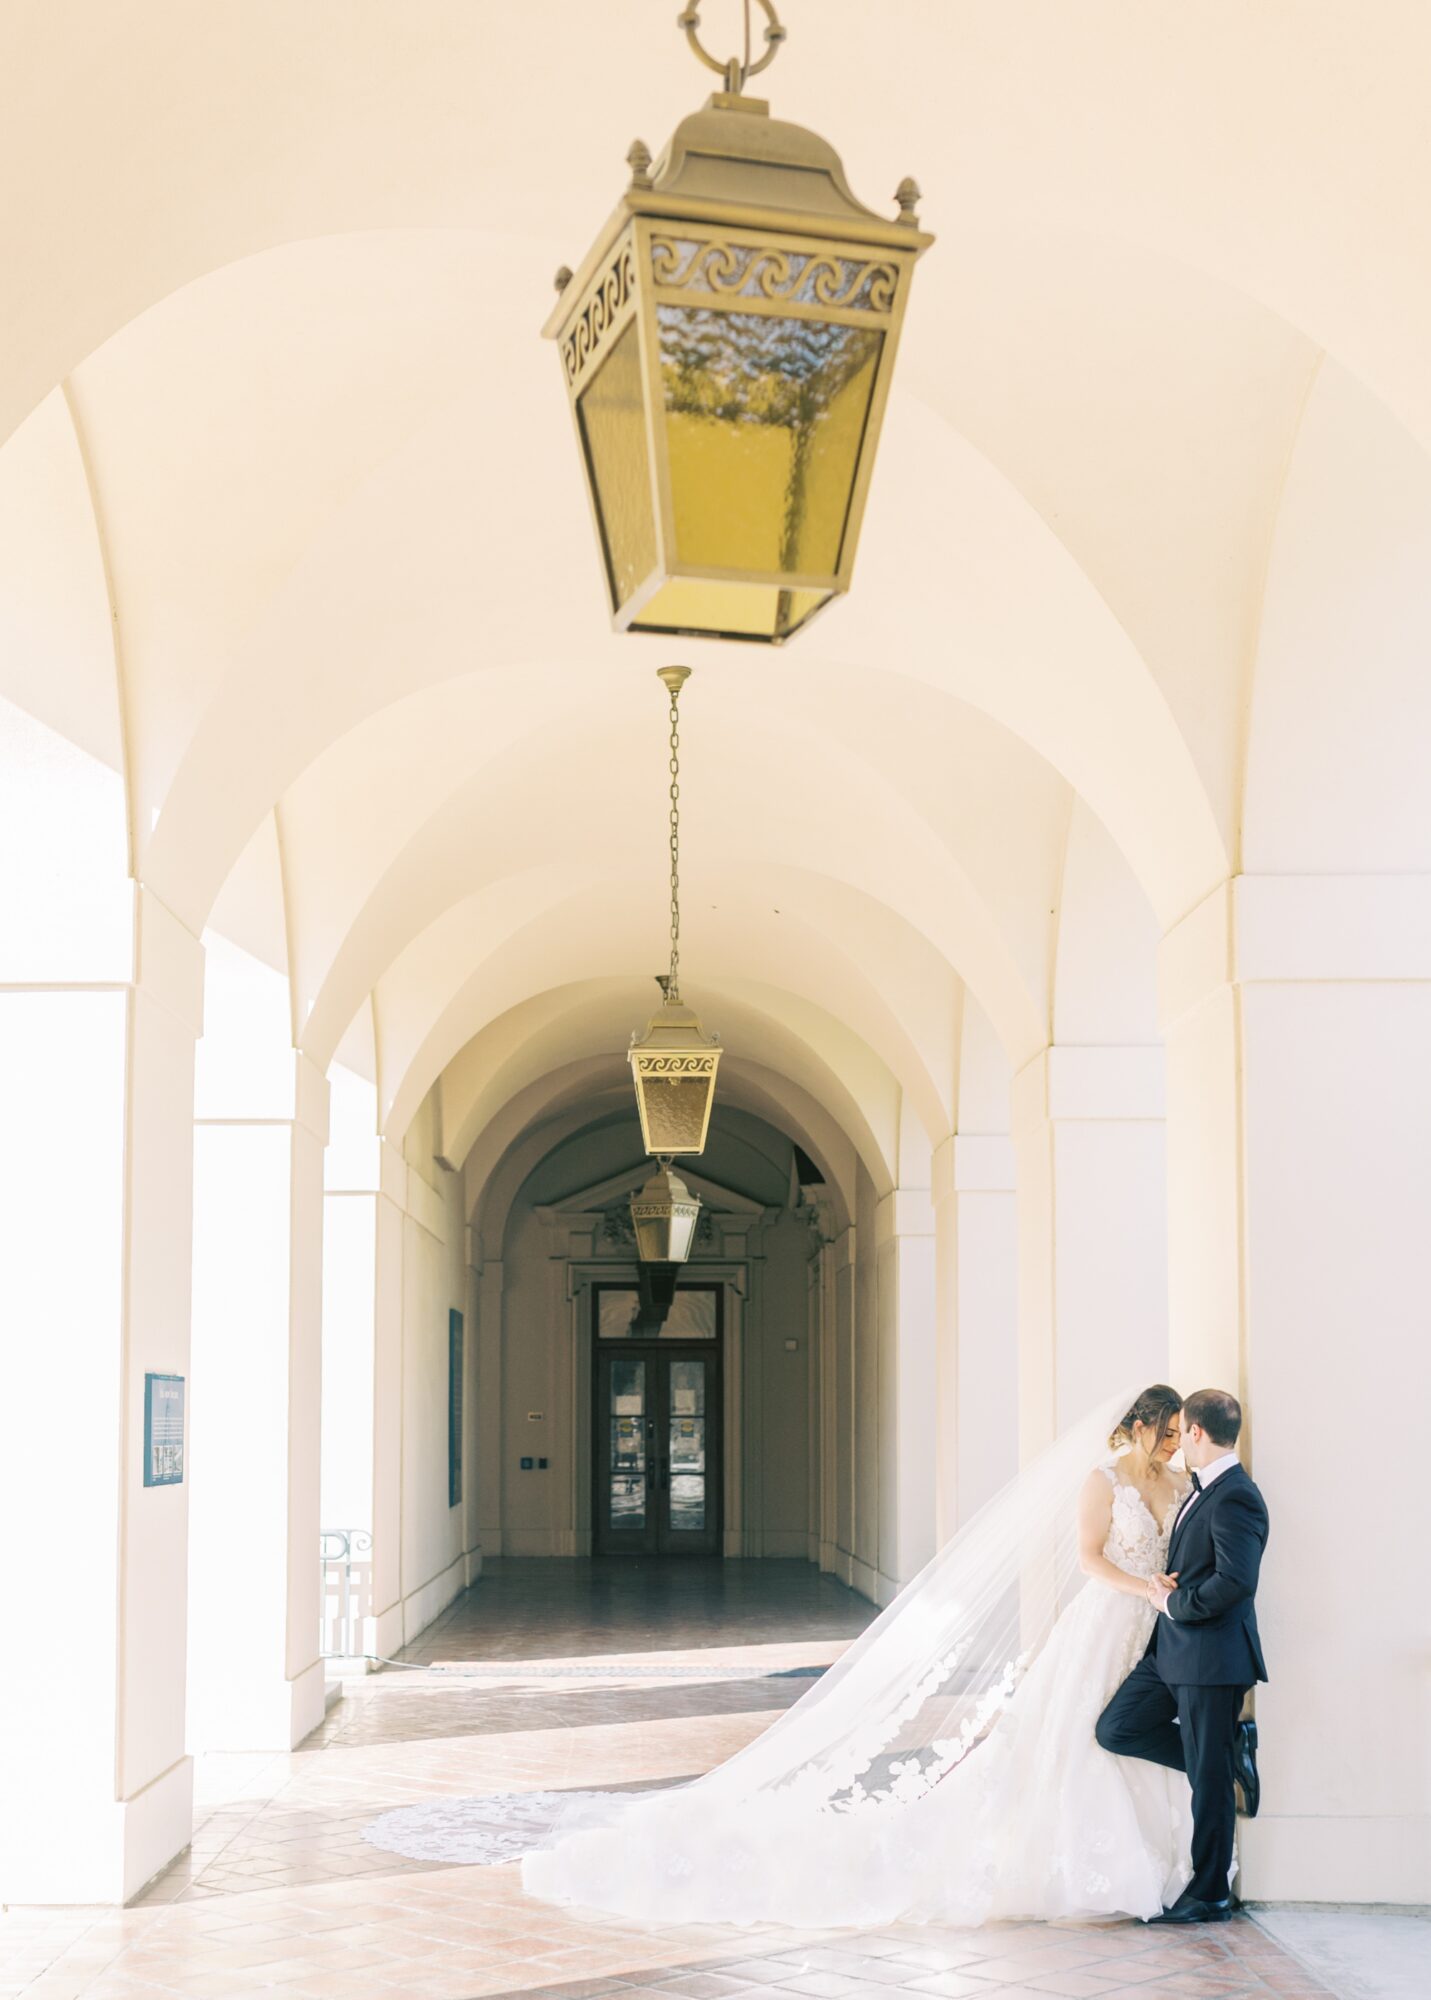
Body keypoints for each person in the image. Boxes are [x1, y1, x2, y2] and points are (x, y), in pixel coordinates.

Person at [366, 1383, 1216, 1926]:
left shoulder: (1181, 1486)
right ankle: (1081, 1859)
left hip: (1156, 1628)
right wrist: (1144, 1589)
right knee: (1074, 1735)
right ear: (1138, 1425)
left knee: (1124, 1728)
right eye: (1166, 1434)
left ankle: (1162, 1847)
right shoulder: (1100, 1480)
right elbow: (1087, 1560)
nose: (1173, 1447)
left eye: (1181, 1437)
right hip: (1110, 1619)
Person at [1095, 1387, 1267, 1926]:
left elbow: (1236, 1583)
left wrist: (1172, 1600)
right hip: (1172, 1651)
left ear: (1195, 1431)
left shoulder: (1236, 1493)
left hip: (1210, 1657)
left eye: (1180, 1432)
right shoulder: (1202, 1487)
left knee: (1209, 1781)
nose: (1176, 1444)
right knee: (1116, 1728)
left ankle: (1210, 1890)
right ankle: (1229, 1748)